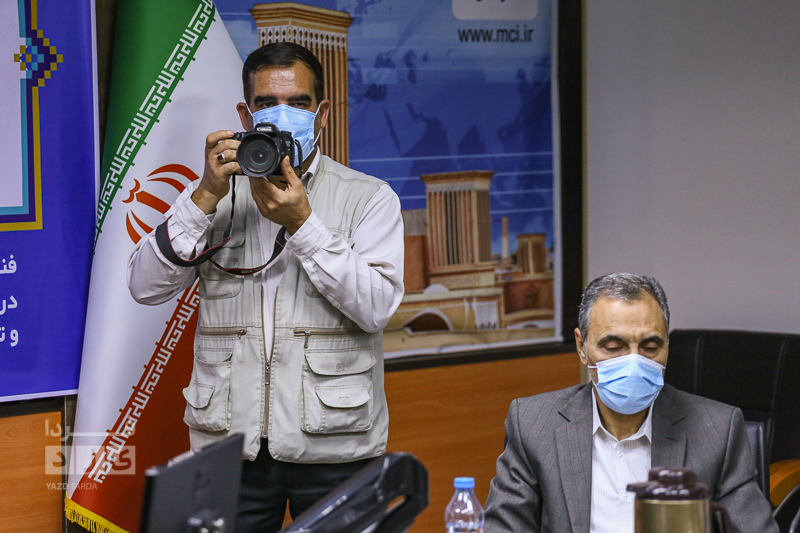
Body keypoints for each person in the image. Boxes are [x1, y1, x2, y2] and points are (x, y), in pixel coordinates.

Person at [128, 42, 404, 532]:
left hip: (337, 444)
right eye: (267, 103)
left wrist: (304, 224)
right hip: (229, 447)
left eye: (298, 103)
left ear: (321, 114)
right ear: (245, 115)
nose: (283, 115)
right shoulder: (214, 195)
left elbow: (378, 307)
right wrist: (204, 197)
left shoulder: (368, 198)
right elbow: (144, 286)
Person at [484, 273, 778, 533]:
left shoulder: (718, 430)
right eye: (614, 347)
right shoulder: (533, 424)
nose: (634, 362)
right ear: (582, 347)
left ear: (666, 346)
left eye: (650, 347)